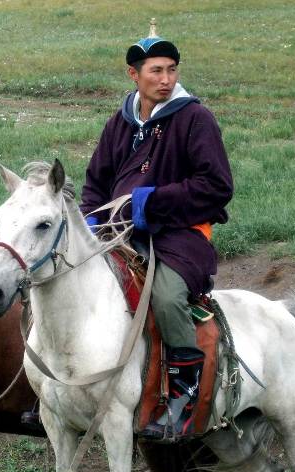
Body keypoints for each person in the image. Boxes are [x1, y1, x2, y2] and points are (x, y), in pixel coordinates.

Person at [80, 19, 233, 442]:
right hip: (120, 232)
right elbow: (95, 183)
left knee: (165, 297)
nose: (166, 80)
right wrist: (90, 220)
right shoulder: (120, 122)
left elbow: (217, 186)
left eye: (171, 70)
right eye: (156, 71)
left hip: (181, 235)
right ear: (134, 74)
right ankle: (63, 389)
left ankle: (185, 395)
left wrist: (152, 202)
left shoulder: (195, 118)